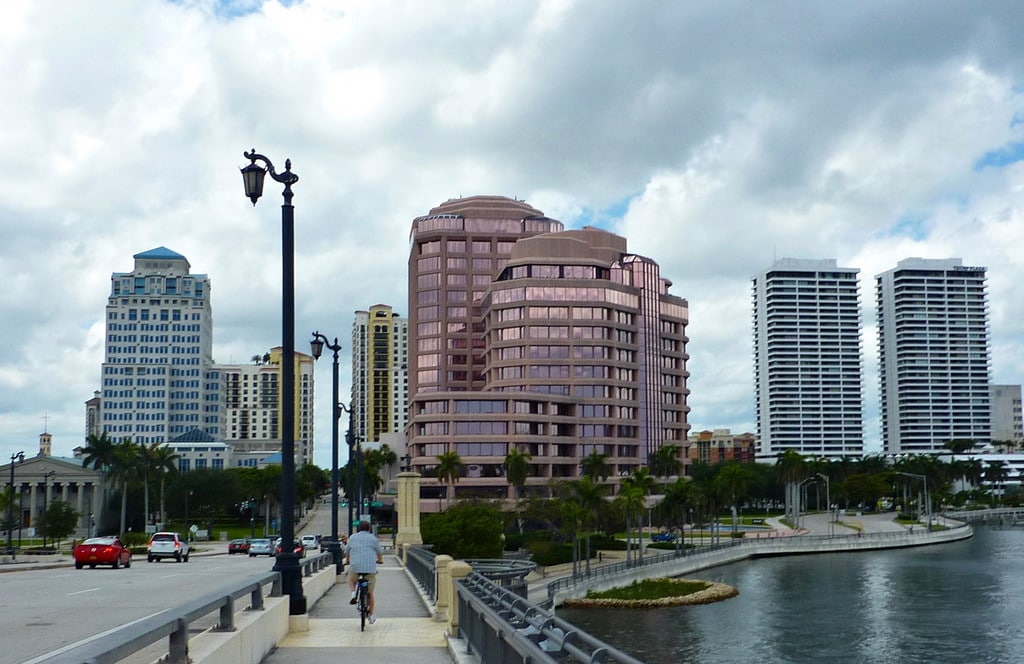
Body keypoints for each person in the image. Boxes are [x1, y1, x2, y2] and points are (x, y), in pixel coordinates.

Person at [344, 520, 384, 624]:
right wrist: (380, 560)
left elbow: (347, 551)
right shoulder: (373, 538)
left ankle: (353, 594)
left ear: (358, 529)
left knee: (351, 579)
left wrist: (347, 560)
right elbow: (380, 552)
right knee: (370, 593)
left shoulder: (352, 537)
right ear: (369, 529)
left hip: (355, 568)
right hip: (370, 569)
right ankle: (370, 615)